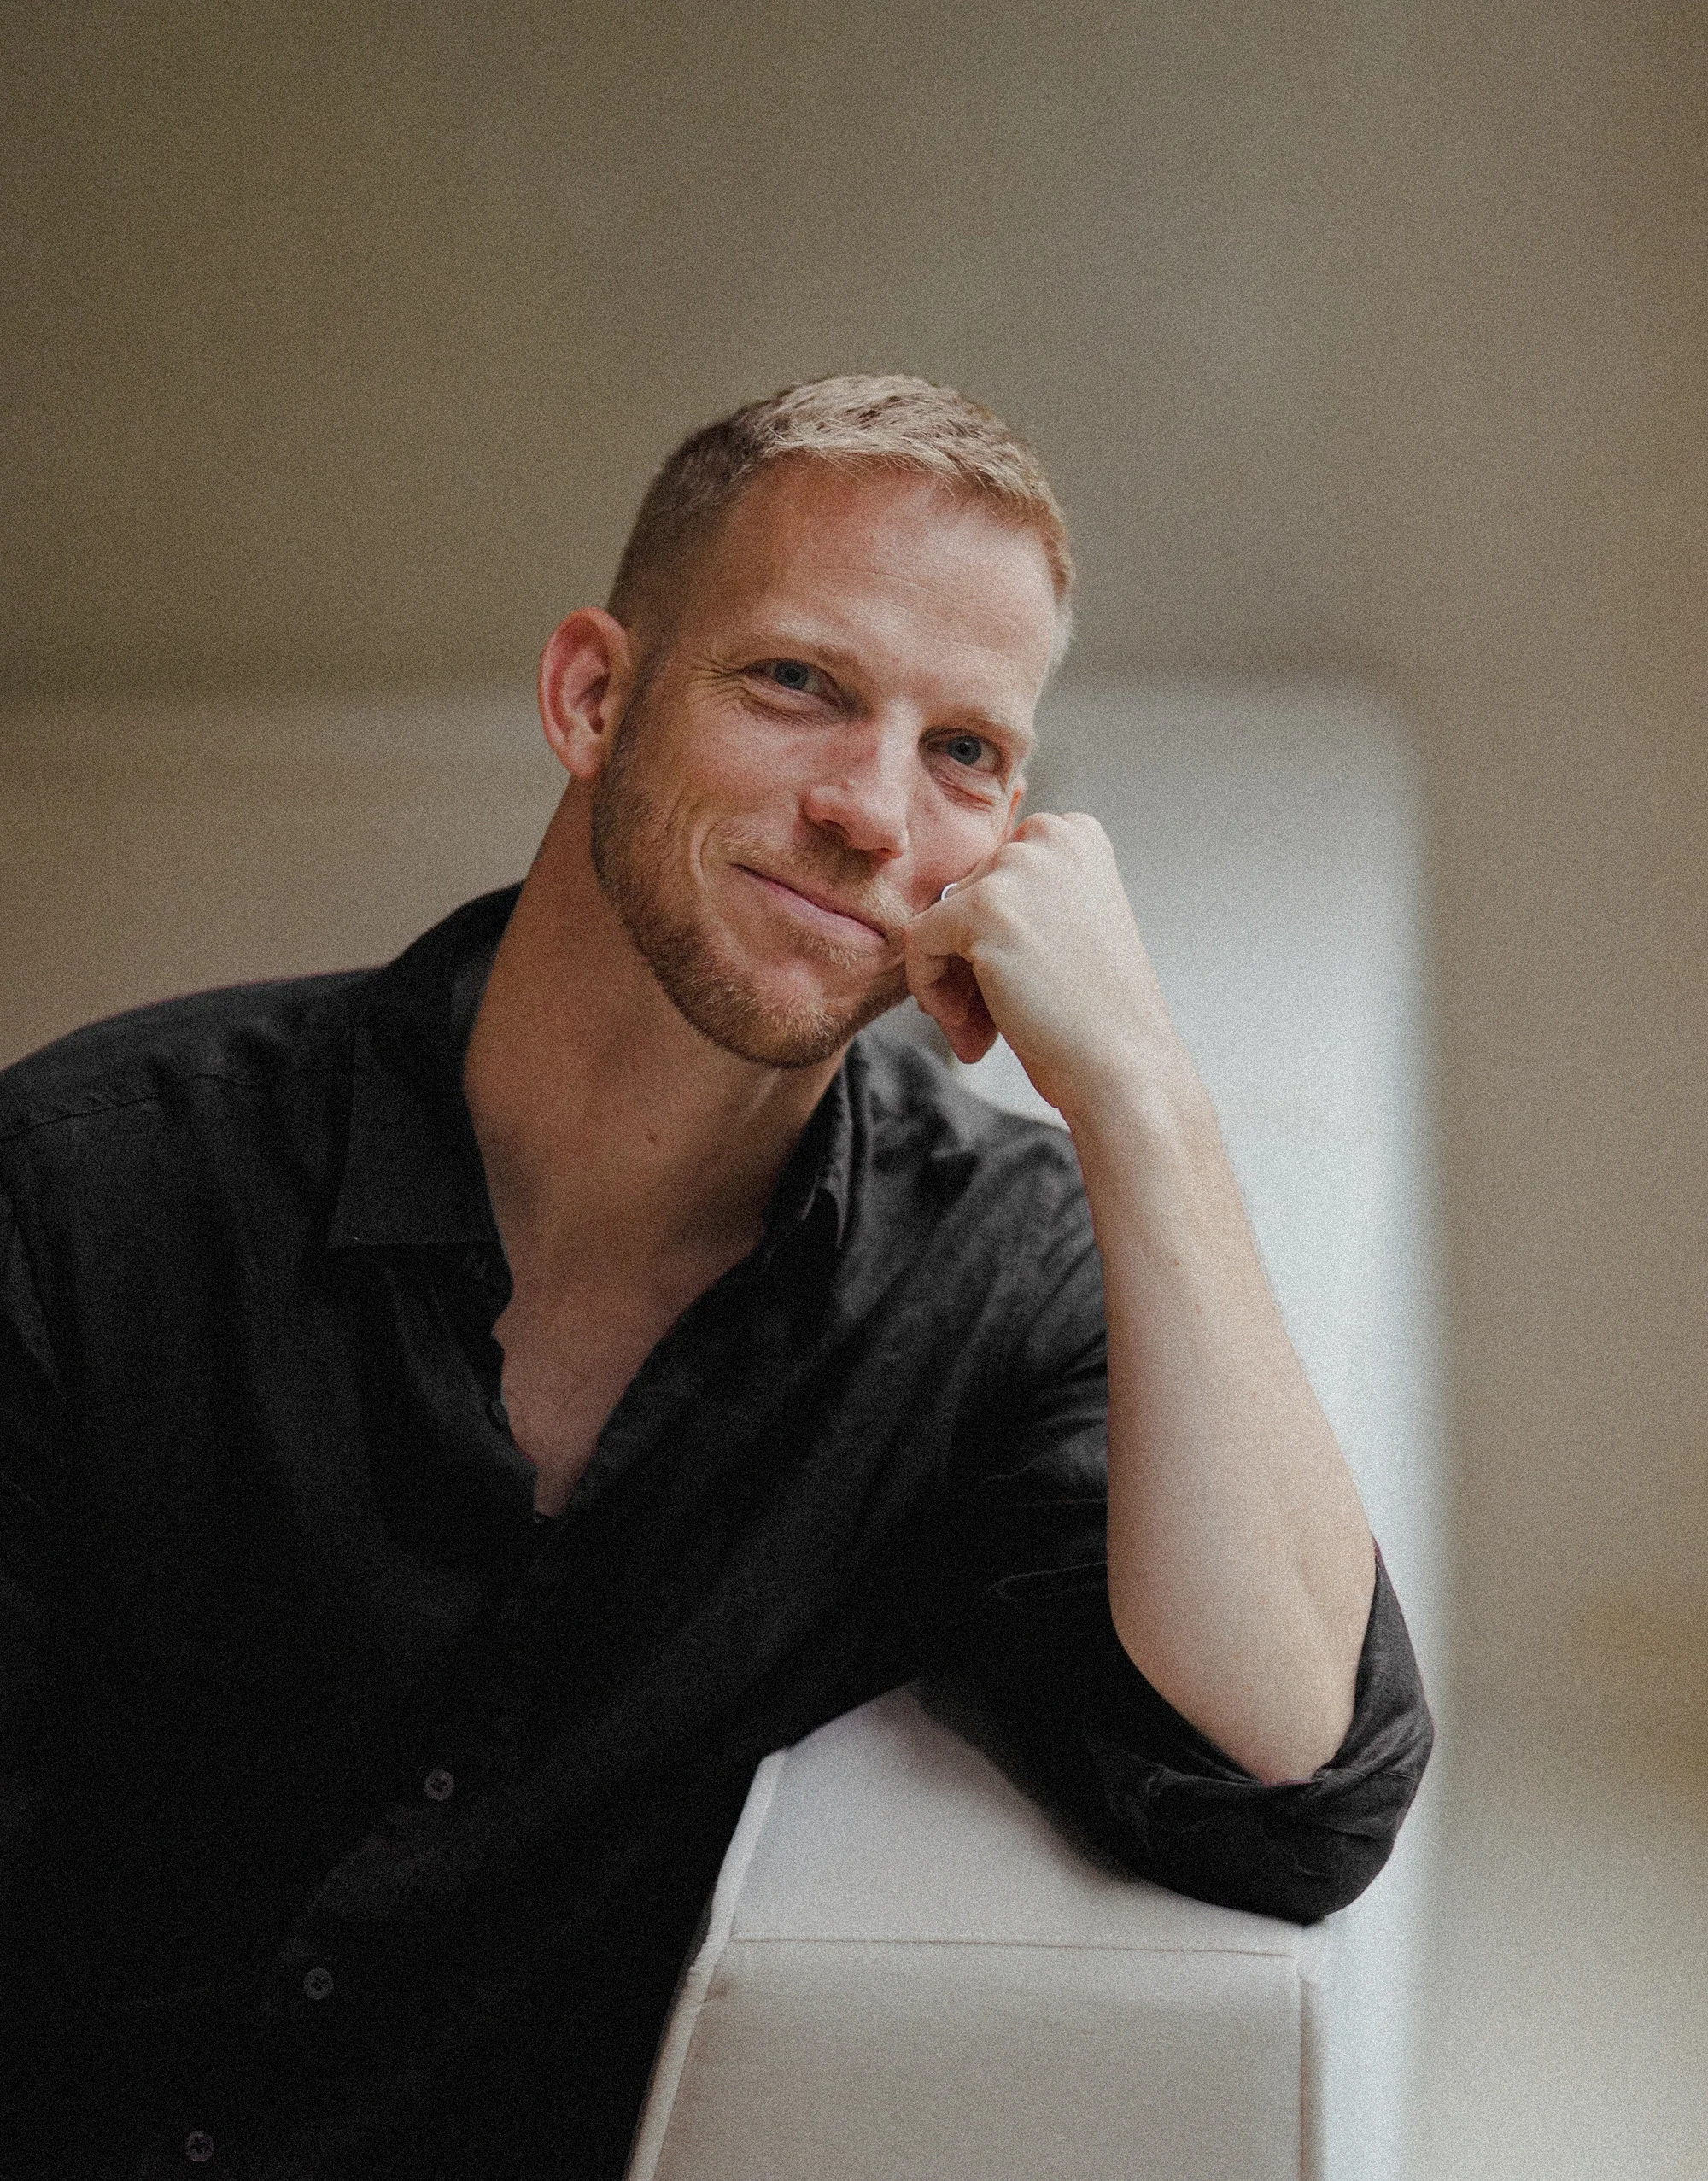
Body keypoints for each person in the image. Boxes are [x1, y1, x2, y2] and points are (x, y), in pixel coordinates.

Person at [0, 375, 1431, 2181]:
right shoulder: (89, 1190)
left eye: (966, 752)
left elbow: (1298, 1781)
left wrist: (1143, 1097)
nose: (868, 810)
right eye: (798, 684)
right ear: (592, 695)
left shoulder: (984, 1283)